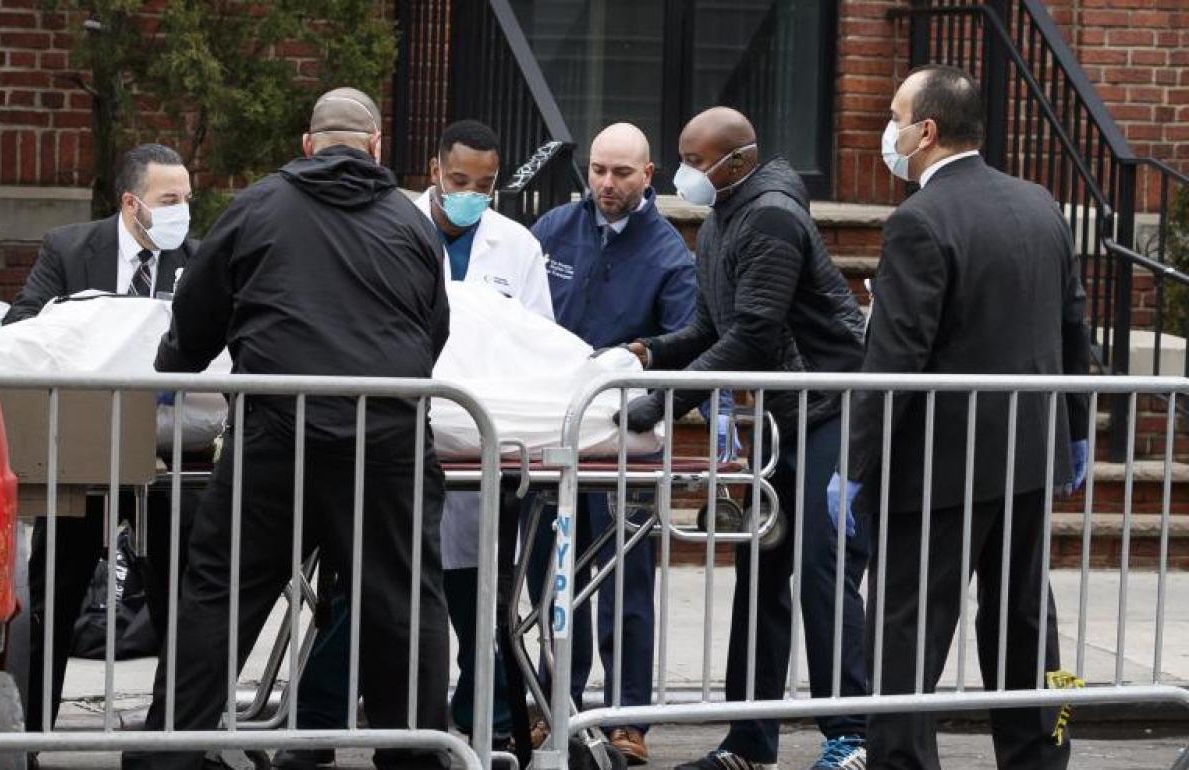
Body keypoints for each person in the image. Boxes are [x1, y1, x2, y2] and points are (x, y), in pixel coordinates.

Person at [121, 87, 452, 770]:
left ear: (307, 145)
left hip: (278, 430)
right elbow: (432, 330)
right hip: (384, 435)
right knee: (401, 602)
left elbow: (197, 315)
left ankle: (170, 754)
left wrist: (172, 368)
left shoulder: (258, 207)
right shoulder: (410, 221)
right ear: (376, 146)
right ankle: (416, 756)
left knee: (221, 594)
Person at [271, 119, 553, 769]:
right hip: (392, 437)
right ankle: (315, 726)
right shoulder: (385, 222)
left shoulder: (517, 247)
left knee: (478, 601)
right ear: (433, 171)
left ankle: (484, 725)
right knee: (366, 592)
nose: (470, 195)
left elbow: (534, 339)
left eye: (484, 185)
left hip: (478, 440)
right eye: (459, 181)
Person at [833, 64, 1089, 770]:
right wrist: (1073, 429)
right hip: (1027, 457)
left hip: (937, 470)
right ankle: (1043, 755)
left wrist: (855, 466)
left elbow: (895, 360)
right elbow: (1074, 326)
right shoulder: (1039, 203)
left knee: (907, 629)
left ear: (926, 131)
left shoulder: (919, 220)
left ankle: (902, 763)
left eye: (894, 117)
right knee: (1025, 620)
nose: (888, 131)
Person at [620, 108, 870, 770]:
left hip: (833, 407)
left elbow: (754, 334)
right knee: (761, 571)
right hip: (789, 415)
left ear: (738, 162)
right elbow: (712, 328)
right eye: (682, 158)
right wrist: (650, 353)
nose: (685, 174)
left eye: (696, 162)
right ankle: (750, 742)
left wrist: (664, 404)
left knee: (822, 568)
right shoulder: (722, 219)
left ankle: (853, 734)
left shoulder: (771, 218)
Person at [3, 143, 198, 736]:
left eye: (187, 198)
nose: (182, 211)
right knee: (55, 592)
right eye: (170, 199)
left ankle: (175, 736)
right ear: (132, 203)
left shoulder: (196, 260)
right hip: (82, 450)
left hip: (164, 455)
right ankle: (32, 734)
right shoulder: (69, 248)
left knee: (179, 598)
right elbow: (23, 327)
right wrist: (97, 324)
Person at [527, 122, 697, 766]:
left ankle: (628, 719)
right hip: (551, 433)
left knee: (627, 581)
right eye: (598, 169)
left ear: (648, 175)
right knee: (550, 578)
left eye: (621, 173)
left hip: (626, 443)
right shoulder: (553, 230)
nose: (605, 183)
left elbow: (685, 347)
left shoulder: (669, 254)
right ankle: (554, 706)